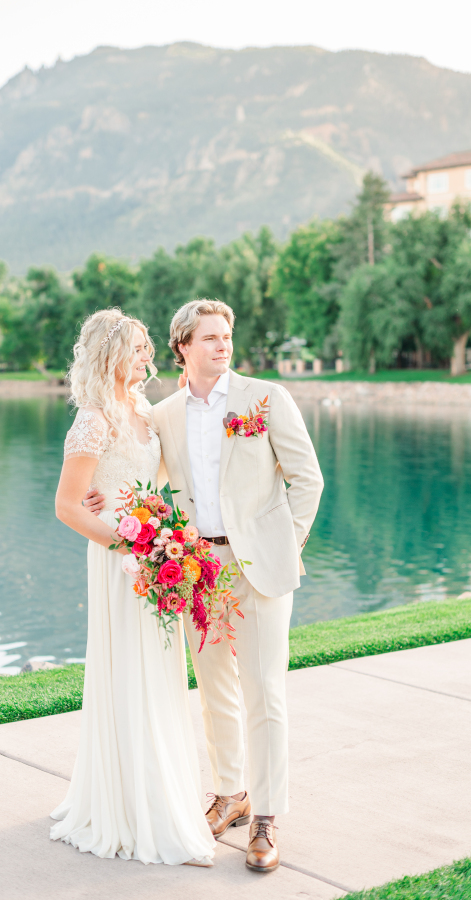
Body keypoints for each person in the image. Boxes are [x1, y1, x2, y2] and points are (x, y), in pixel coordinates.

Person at [85, 299, 323, 873]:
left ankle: (266, 816)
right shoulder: (162, 415)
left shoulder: (265, 399)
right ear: (183, 346)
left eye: (227, 337)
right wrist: (102, 499)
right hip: (199, 569)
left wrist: (284, 546)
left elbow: (306, 480)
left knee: (265, 690)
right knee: (216, 689)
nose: (223, 346)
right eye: (210, 338)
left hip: (261, 570)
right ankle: (230, 793)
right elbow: (142, 478)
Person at [50, 308, 216, 867]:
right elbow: (66, 506)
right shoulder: (93, 420)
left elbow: (153, 479)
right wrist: (126, 539)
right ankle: (133, 807)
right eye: (141, 349)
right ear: (114, 355)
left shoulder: (141, 411)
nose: (149, 358)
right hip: (122, 560)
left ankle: (161, 795)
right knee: (132, 670)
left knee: (160, 672)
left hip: (154, 552)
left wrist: (152, 525)